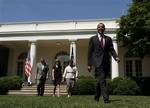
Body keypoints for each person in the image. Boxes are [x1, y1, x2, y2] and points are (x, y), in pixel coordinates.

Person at [88, 23, 120, 103]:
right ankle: (106, 99)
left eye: (102, 27)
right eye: (99, 27)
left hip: (106, 62)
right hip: (97, 62)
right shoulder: (93, 39)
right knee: (102, 80)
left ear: (104, 29)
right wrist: (89, 64)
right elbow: (90, 52)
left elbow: (111, 49)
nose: (100, 28)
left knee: (101, 80)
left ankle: (96, 97)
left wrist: (116, 57)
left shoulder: (108, 39)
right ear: (97, 29)